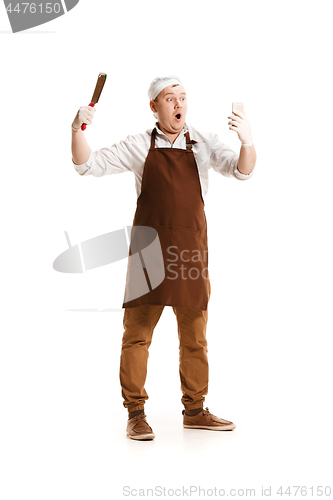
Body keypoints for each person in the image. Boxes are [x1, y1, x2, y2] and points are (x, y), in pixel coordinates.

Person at [71, 75, 256, 441]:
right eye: (170, 98)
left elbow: (242, 170)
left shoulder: (203, 144)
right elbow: (87, 165)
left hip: (190, 251)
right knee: (137, 336)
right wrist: (77, 130)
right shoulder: (140, 145)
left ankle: (195, 410)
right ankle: (136, 413)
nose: (178, 104)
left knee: (195, 338)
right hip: (149, 252)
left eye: (183, 98)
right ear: (154, 106)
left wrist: (248, 141)